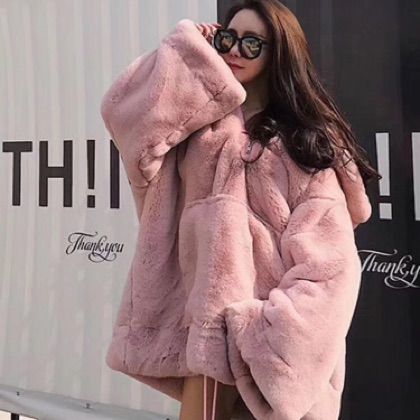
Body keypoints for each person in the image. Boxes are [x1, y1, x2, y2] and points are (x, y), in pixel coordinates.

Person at [100, 1, 380, 419]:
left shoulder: (302, 143)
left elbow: (331, 266)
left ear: (278, 53)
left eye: (253, 43)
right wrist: (190, 49)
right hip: (208, 342)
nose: (235, 50)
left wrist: (262, 335)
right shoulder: (197, 132)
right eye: (228, 38)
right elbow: (125, 113)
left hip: (263, 341)